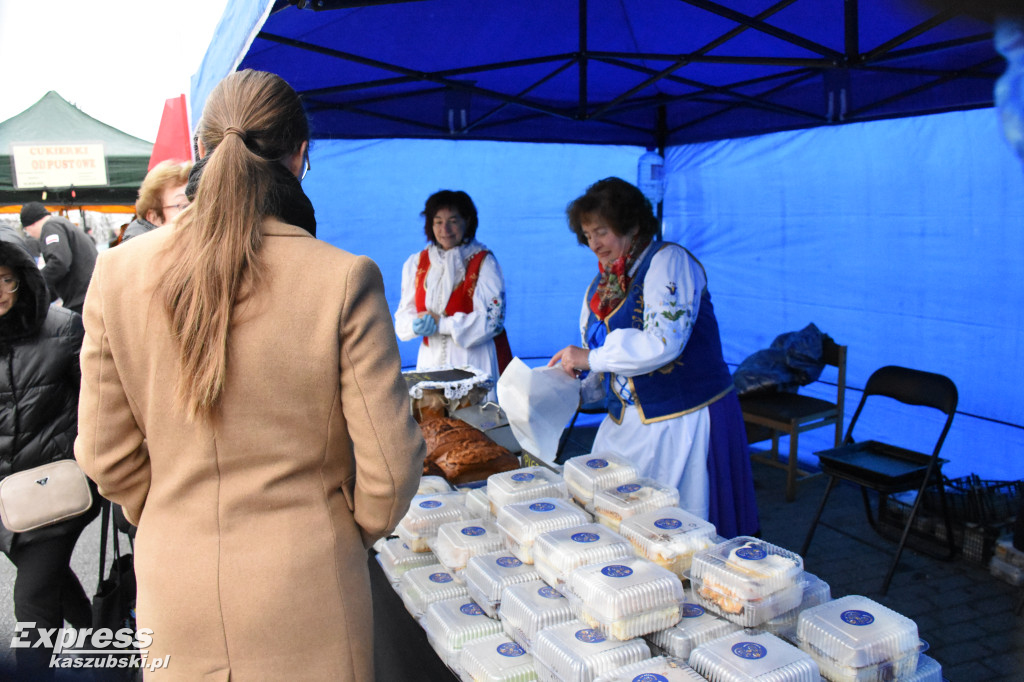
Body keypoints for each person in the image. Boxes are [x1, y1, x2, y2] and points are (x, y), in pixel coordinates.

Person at [74, 69, 425, 680]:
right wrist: (340, 533)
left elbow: (104, 456)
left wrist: (169, 516)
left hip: (172, 586)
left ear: (202, 152)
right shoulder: (342, 278)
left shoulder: (117, 274)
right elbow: (391, 472)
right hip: (309, 587)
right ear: (300, 155)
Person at [549, 177, 759, 538]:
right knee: (614, 514)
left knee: (674, 524)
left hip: (681, 418)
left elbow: (663, 342)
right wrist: (573, 386)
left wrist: (592, 358)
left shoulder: (668, 262)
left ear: (630, 224)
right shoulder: (603, 285)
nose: (594, 244)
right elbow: (604, 364)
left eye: (602, 231)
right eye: (587, 235)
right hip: (627, 423)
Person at [0, 227, 100, 679]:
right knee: (53, 582)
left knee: (33, 599)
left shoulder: (64, 330)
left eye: (6, 279)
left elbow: (98, 407)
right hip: (6, 500)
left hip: (55, 489)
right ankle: (108, 658)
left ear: (22, 278)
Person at [394, 190, 511, 397]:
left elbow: (493, 321)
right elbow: (403, 316)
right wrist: (414, 324)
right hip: (431, 362)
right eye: (438, 221)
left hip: (473, 362)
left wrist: (443, 324)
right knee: (434, 424)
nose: (445, 229)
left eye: (453, 221)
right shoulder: (416, 263)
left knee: (473, 424)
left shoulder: (484, 262)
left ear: (467, 221)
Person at [18, 202, 98, 315]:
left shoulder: (51, 227)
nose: (30, 235)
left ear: (30, 225)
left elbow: (59, 263)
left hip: (82, 300)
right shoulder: (60, 224)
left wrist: (34, 282)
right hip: (88, 295)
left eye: (26, 231)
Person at [119, 159, 193, 243]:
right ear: (153, 217)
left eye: (198, 203)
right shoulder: (140, 254)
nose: (195, 211)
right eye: (184, 206)